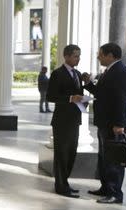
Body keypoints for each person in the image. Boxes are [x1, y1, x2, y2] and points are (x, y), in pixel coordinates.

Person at [83, 43, 126, 204]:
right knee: (104, 157)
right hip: (104, 123)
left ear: (111, 55)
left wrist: (119, 123)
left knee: (114, 159)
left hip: (114, 124)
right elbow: (102, 94)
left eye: (101, 54)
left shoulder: (122, 73)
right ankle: (105, 188)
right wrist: (89, 84)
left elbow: (123, 100)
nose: (98, 57)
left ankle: (115, 193)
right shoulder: (109, 71)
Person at [46, 44, 84, 198]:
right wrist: (69, 98)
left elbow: (79, 95)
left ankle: (65, 182)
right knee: (62, 154)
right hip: (61, 121)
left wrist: (83, 101)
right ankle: (60, 186)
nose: (78, 58)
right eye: (75, 56)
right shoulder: (57, 74)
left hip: (75, 120)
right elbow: (50, 97)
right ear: (66, 56)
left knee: (71, 153)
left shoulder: (79, 74)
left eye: (79, 56)